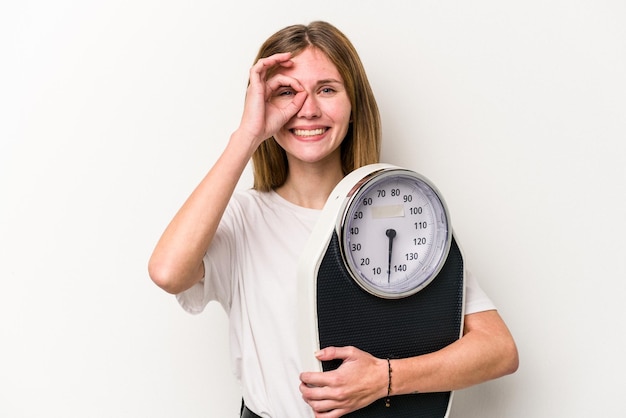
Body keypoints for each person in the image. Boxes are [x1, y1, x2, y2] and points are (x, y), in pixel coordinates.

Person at [148, 21, 519, 418]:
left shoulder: (411, 213)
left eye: (326, 89)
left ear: (354, 104)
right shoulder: (243, 219)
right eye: (286, 93)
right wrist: (247, 134)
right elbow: (168, 272)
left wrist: (385, 378)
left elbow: (498, 349)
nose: (308, 109)